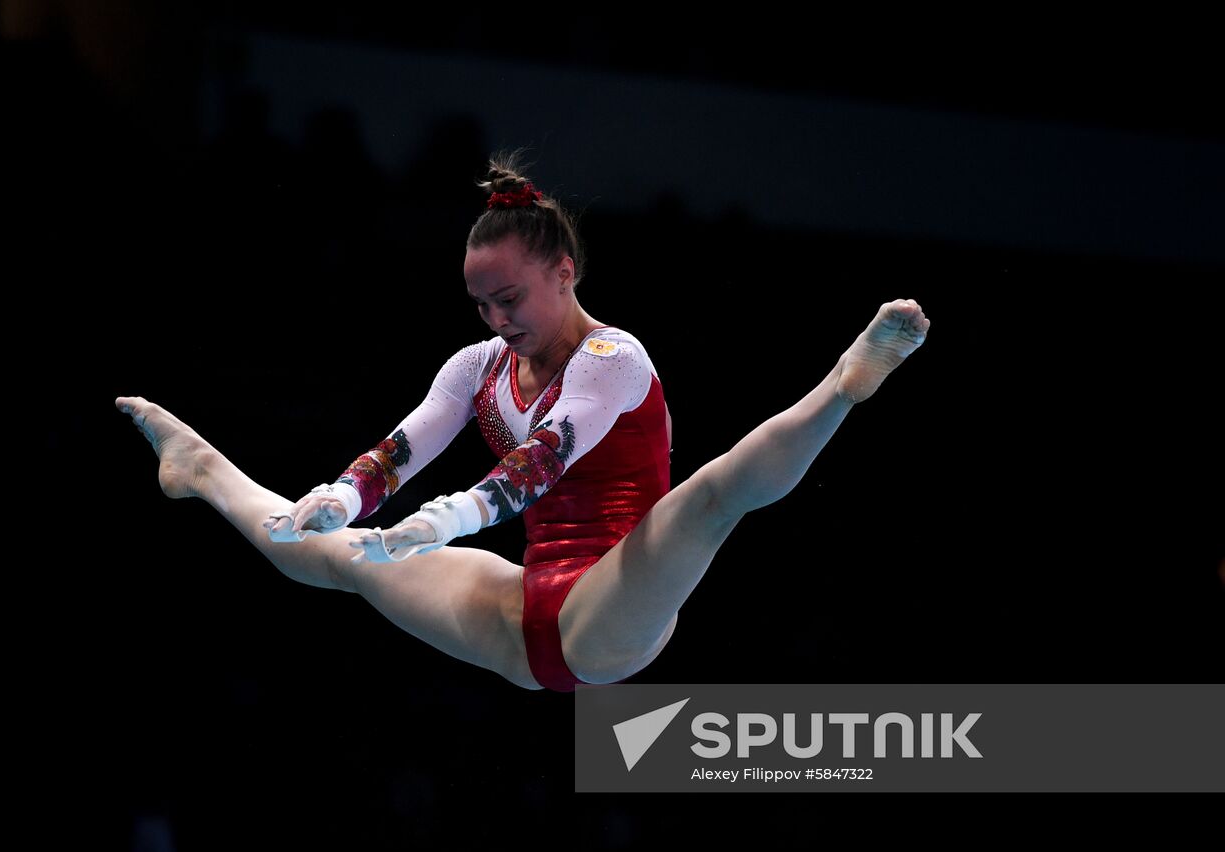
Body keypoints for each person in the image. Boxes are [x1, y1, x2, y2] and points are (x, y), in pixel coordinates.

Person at [115, 148, 930, 692]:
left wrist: (440, 523)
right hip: (524, 618)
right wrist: (344, 497)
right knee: (338, 557)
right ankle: (202, 469)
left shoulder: (615, 361)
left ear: (564, 272)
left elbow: (540, 461)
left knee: (711, 496)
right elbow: (401, 449)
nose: (497, 319)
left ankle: (845, 383)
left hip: (615, 604)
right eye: (481, 305)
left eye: (511, 299)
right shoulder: (477, 368)